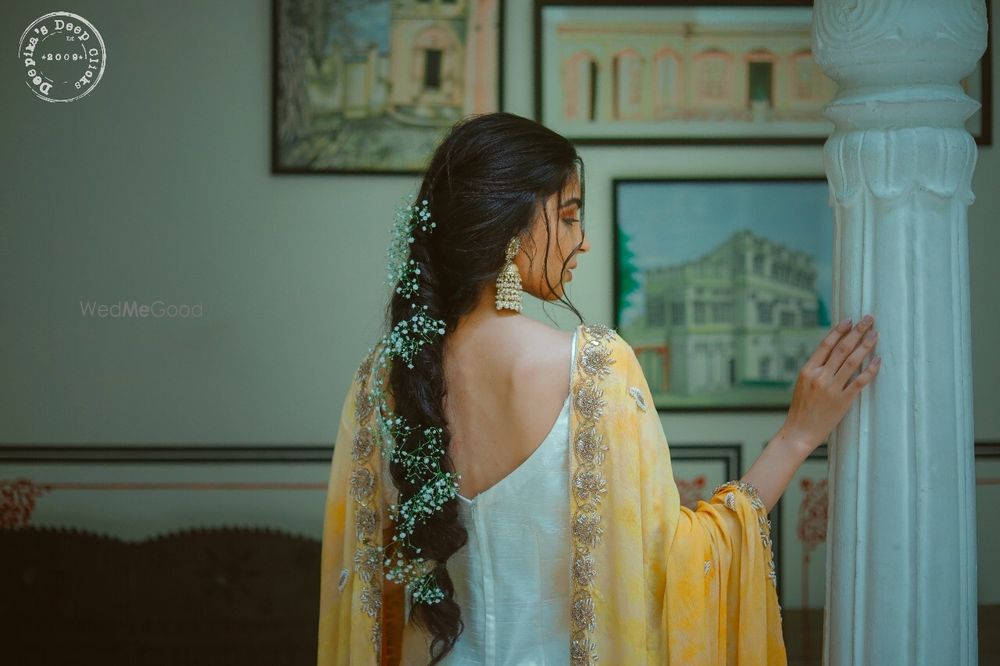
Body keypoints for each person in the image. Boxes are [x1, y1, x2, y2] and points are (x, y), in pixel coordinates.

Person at [316, 112, 881, 665]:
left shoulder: (381, 381)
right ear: (511, 225)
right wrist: (798, 435)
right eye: (566, 217)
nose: (581, 241)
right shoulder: (591, 366)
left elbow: (368, 600)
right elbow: (676, 567)